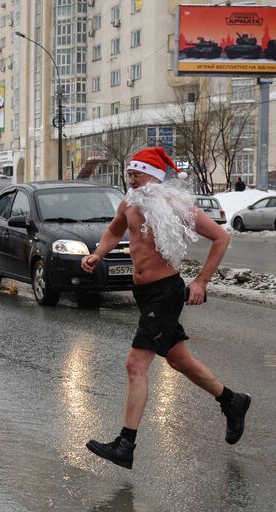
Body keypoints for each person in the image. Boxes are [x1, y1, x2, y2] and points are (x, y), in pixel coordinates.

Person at [80, 147, 251, 470]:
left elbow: (219, 237)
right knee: (178, 358)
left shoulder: (173, 205)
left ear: (155, 178)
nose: (132, 180)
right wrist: (98, 253)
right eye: (129, 174)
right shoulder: (129, 203)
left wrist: (200, 281)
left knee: (135, 365)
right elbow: (115, 230)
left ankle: (125, 444)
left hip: (166, 293)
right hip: (143, 292)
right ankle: (232, 400)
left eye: (138, 174)